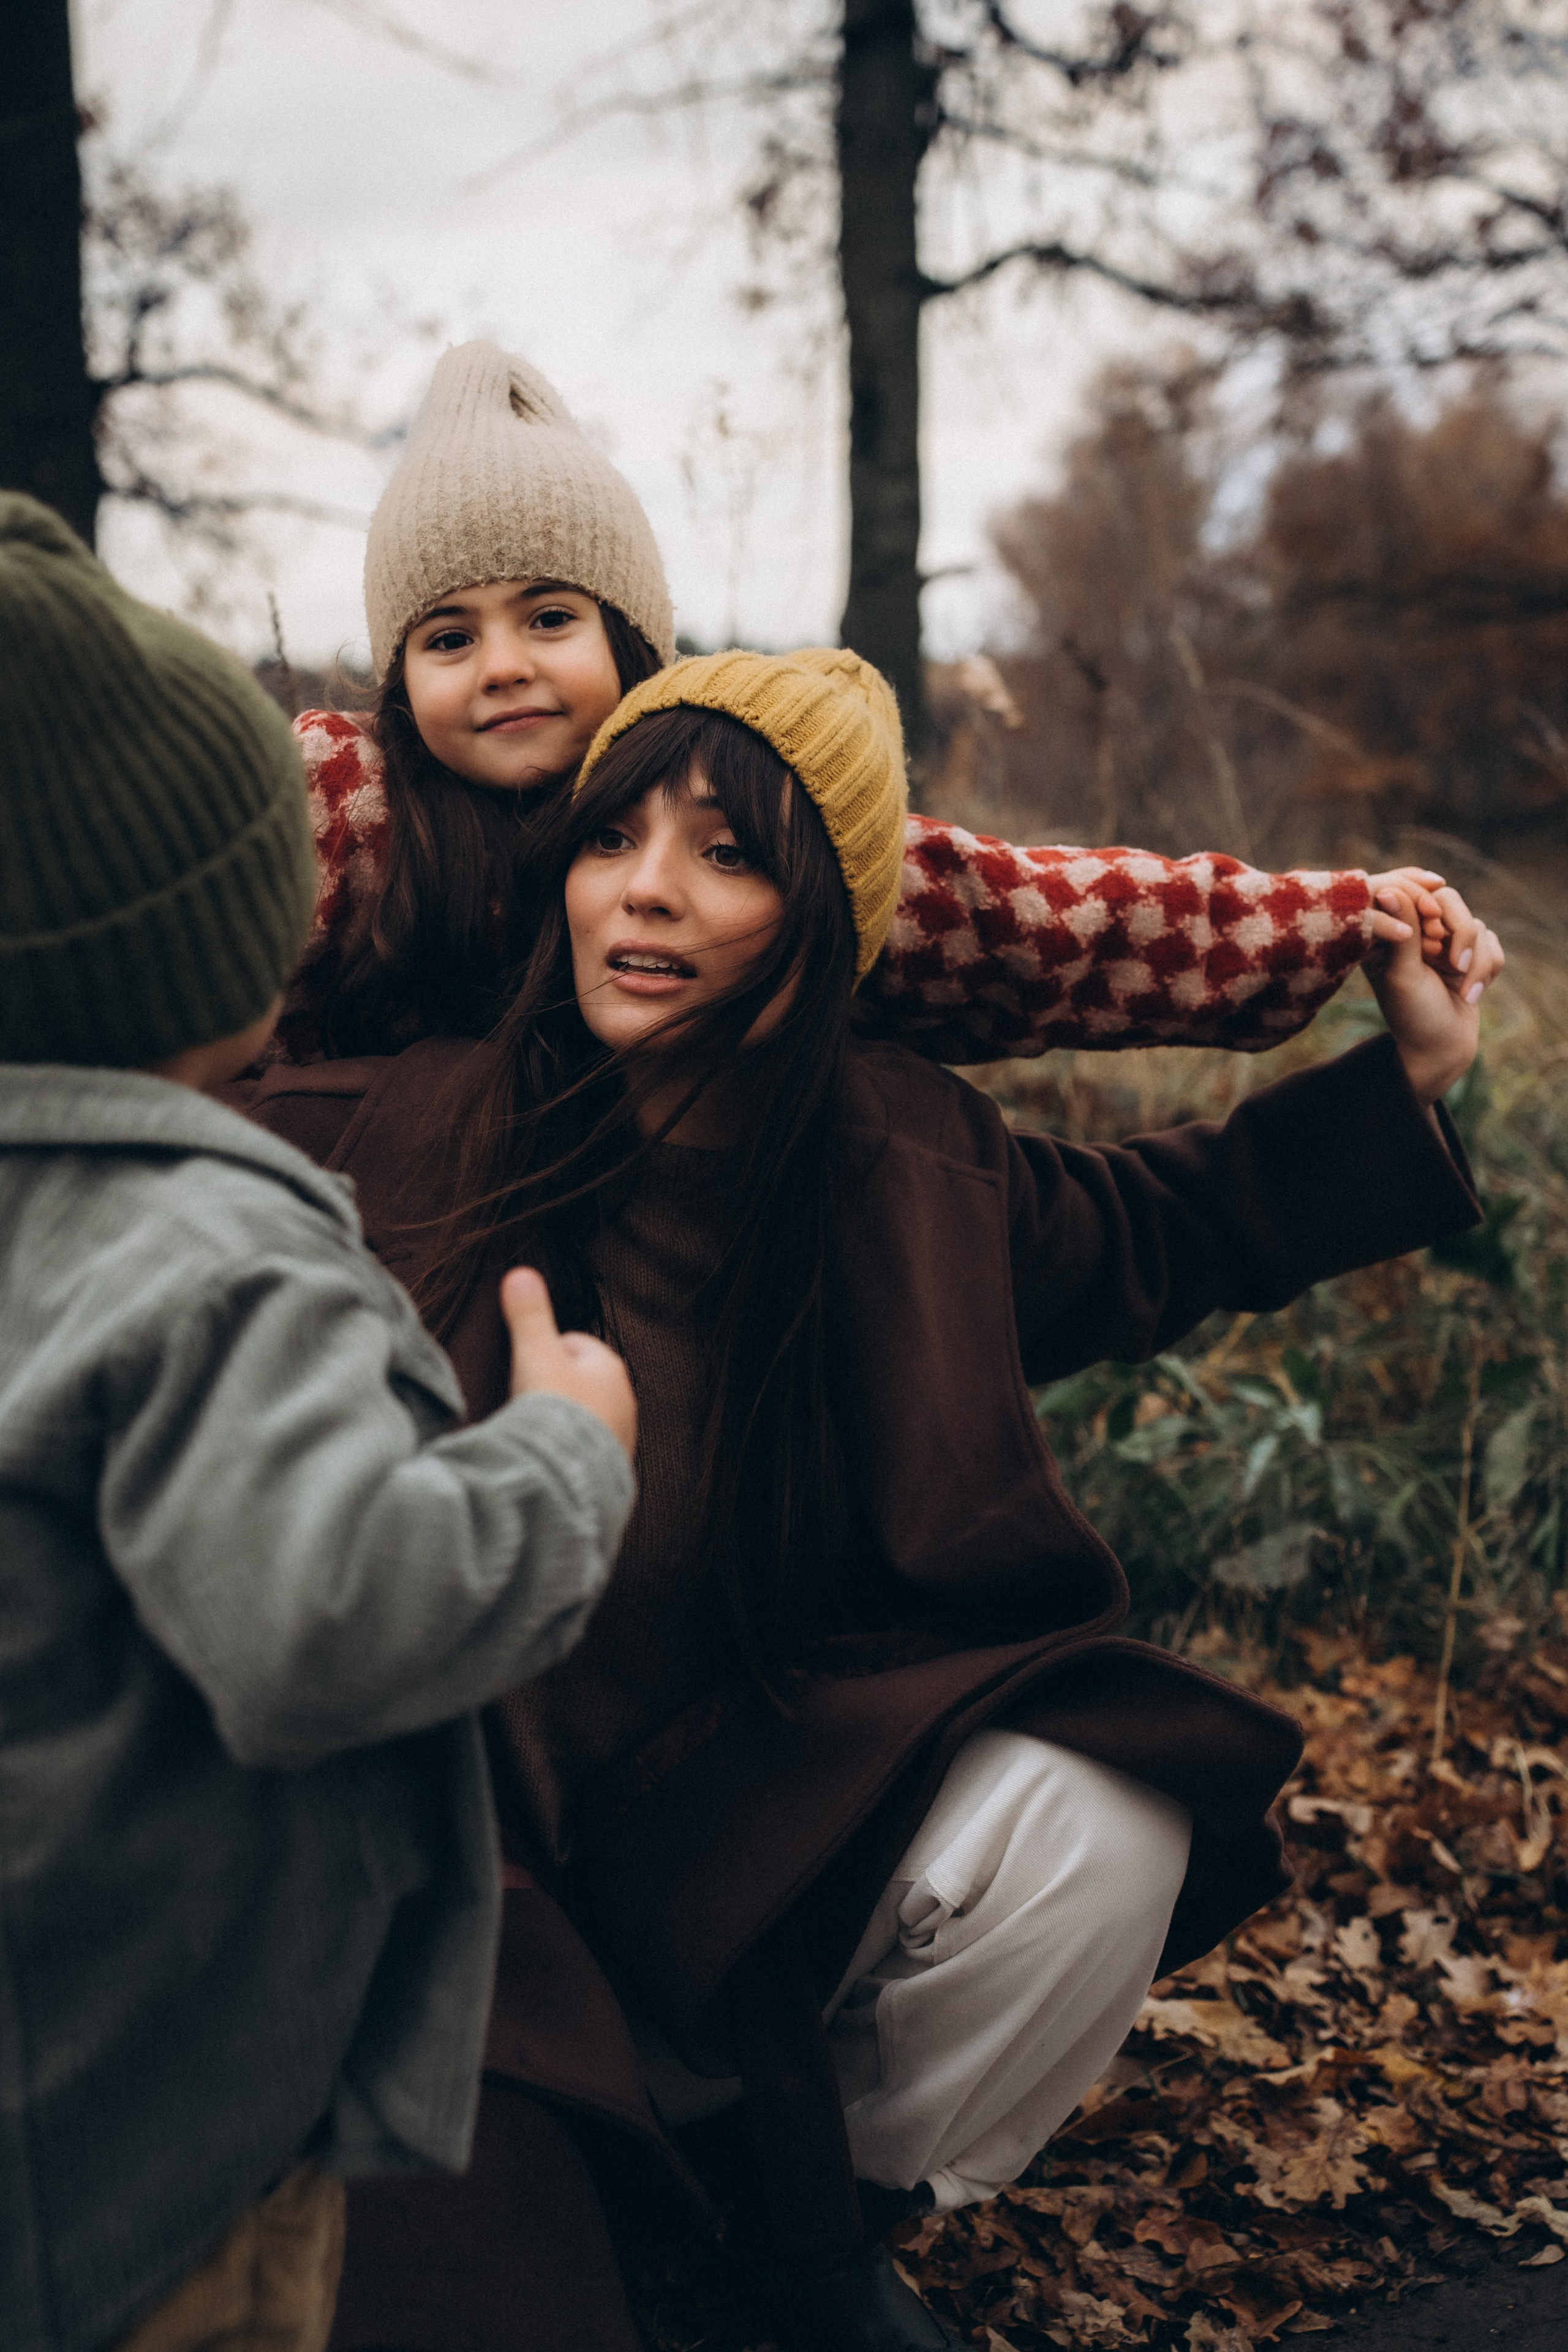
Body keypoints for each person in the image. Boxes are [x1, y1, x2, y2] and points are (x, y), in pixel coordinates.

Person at [241, 647, 1490, 2352]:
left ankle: (820, 2217)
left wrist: (1406, 1080)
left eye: (728, 854)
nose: (646, 894)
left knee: (1097, 1817)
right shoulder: (369, 1145)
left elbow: (1161, 1227)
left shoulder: (907, 1159)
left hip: (741, 1854)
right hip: (455, 1911)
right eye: (612, 840)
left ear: (827, 911)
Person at [0, 494, 639, 2352]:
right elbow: (334, 1618)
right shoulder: (213, 1261)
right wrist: (564, 1457)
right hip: (163, 2140)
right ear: (225, 941)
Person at [269, 338, 1479, 1076]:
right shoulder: (343, 809)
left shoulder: (733, 797)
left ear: (633, 641)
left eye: (548, 618)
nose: (500, 665)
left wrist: (1331, 920)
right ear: (393, 681)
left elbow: (1033, 925)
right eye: (445, 637)